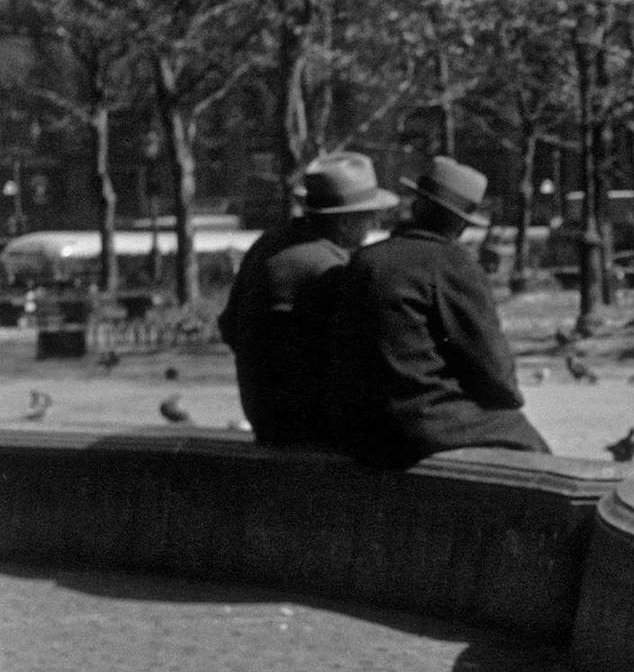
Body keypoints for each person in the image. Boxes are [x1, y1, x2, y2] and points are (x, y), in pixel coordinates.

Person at [330, 155, 549, 470]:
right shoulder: (453, 265)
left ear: (416, 207)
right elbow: (494, 371)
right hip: (420, 423)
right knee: (527, 440)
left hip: (360, 425)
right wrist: (505, 399)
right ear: (461, 223)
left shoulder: (365, 260)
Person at [218, 151, 396, 447]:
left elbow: (229, 327)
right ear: (345, 222)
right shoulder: (332, 266)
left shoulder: (269, 244)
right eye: (369, 215)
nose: (376, 221)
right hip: (314, 429)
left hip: (266, 417)